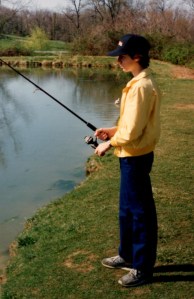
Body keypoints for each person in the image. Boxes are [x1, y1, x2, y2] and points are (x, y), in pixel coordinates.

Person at [94, 34, 161, 287]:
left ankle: (142, 268)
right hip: (129, 155)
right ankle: (127, 254)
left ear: (137, 57)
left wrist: (108, 143)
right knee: (126, 211)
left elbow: (132, 132)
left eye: (122, 56)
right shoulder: (135, 83)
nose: (118, 60)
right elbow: (130, 125)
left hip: (137, 157)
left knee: (140, 213)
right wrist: (111, 131)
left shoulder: (142, 86)